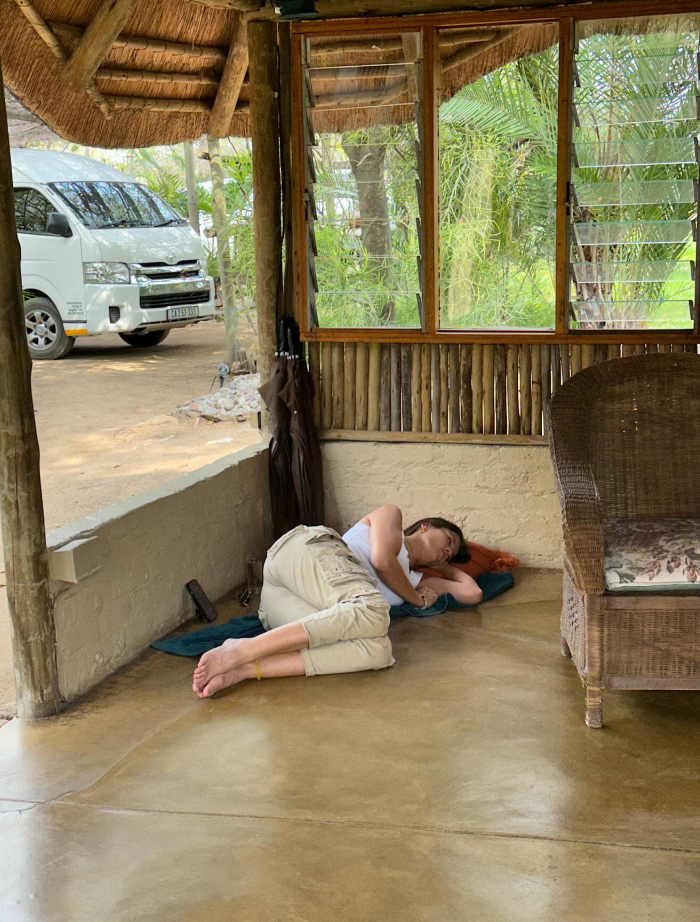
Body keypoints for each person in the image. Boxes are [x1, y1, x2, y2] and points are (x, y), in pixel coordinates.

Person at [192, 505, 483, 698]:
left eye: (452, 552)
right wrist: (417, 601)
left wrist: (445, 566)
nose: (449, 550)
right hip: (304, 554)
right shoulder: (391, 518)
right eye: (448, 540)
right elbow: (382, 561)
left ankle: (245, 668)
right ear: (425, 526)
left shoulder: (416, 580)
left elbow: (472, 593)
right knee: (374, 611)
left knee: (378, 651)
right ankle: (243, 649)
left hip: (281, 605)